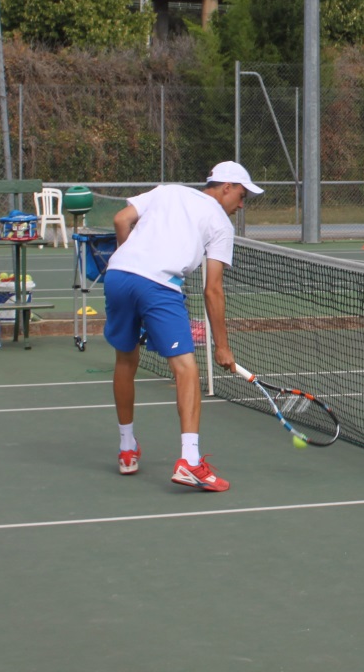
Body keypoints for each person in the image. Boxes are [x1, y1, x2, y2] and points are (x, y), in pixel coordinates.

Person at [104, 161, 262, 491]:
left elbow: (121, 220)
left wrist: (131, 265)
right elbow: (213, 289)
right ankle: (190, 462)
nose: (242, 205)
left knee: (125, 359)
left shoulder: (169, 190)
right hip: (159, 285)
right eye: (243, 196)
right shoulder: (220, 223)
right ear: (227, 187)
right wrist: (222, 346)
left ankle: (126, 449)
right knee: (187, 370)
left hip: (118, 275)